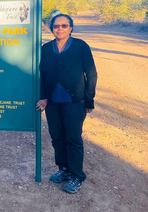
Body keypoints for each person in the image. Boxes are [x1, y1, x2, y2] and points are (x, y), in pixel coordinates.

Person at [36, 13, 97, 194]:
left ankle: (77, 176)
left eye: (64, 26)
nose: (59, 29)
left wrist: (89, 100)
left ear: (71, 28)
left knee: (73, 138)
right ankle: (63, 169)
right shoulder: (46, 49)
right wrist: (44, 96)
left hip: (74, 101)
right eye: (56, 26)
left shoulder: (80, 47)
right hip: (53, 102)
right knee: (57, 137)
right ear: (51, 28)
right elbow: (43, 75)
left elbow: (91, 74)